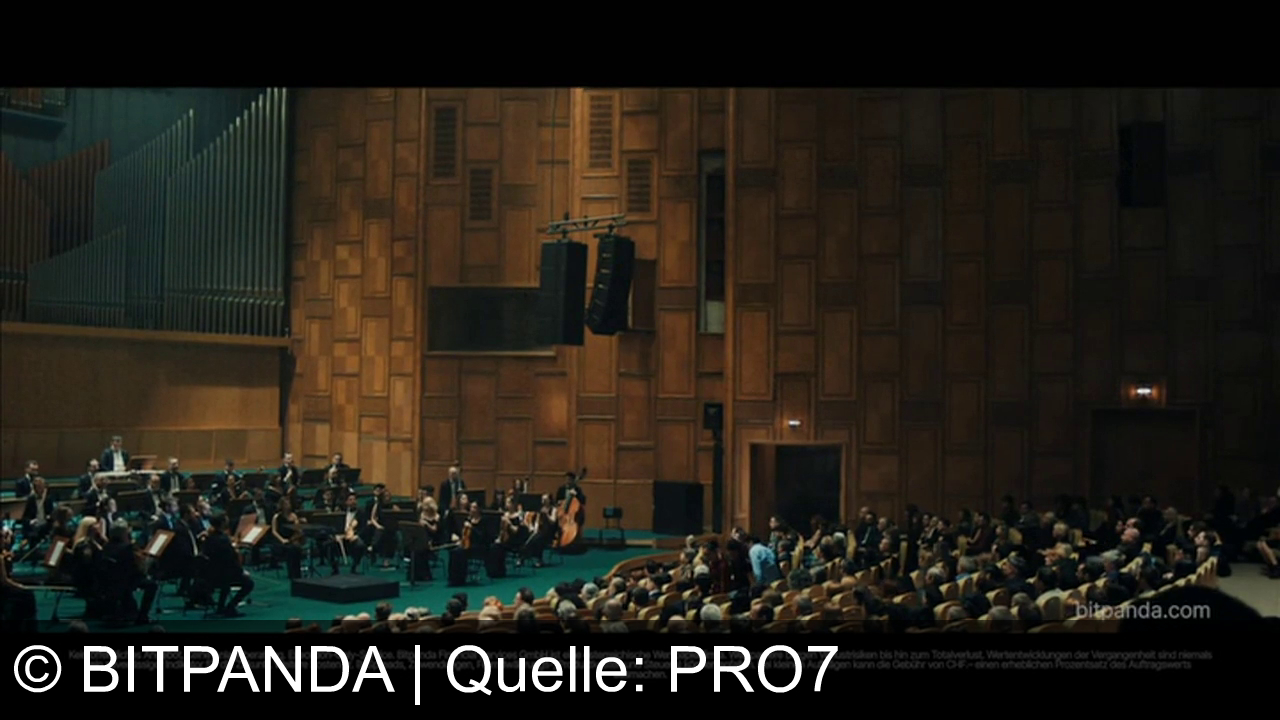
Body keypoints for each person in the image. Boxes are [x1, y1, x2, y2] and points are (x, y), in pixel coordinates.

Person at [200, 515, 255, 617]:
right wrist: (242, 571)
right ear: (222, 524)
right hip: (224, 574)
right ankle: (231, 607)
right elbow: (231, 560)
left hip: (210, 575)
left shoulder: (208, 538)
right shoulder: (223, 540)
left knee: (225, 580)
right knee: (249, 583)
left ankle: (220, 607)